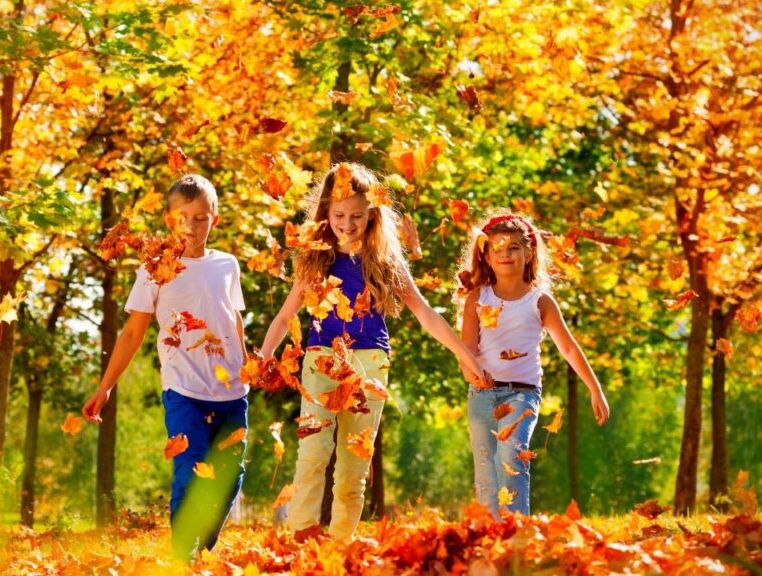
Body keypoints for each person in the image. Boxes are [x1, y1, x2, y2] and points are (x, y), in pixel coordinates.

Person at [259, 162, 489, 542]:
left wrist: (467, 356)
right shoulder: (315, 256)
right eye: (338, 215)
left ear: (372, 216)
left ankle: (340, 544)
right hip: (321, 360)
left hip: (369, 362)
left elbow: (424, 314)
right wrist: (265, 355)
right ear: (325, 214)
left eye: (357, 216)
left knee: (354, 464)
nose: (347, 224)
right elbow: (286, 316)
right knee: (313, 452)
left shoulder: (384, 259)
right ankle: (302, 537)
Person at [82, 174, 248, 562]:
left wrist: (250, 367)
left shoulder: (227, 265)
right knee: (189, 471)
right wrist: (105, 387)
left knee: (229, 478)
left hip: (233, 392)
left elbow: (234, 320)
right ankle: (182, 558)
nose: (191, 227)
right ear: (169, 221)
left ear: (215, 219)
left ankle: (200, 550)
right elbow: (132, 333)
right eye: (182, 218)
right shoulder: (154, 270)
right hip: (184, 390)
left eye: (200, 218)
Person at [456, 210, 610, 518]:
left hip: (522, 395)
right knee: (486, 468)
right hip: (483, 395)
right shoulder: (478, 297)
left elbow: (568, 347)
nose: (506, 254)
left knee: (511, 455)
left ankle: (516, 528)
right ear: (485, 256)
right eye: (497, 247)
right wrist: (471, 373)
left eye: (514, 246)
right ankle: (489, 533)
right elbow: (467, 349)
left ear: (529, 252)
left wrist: (595, 388)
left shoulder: (539, 301)